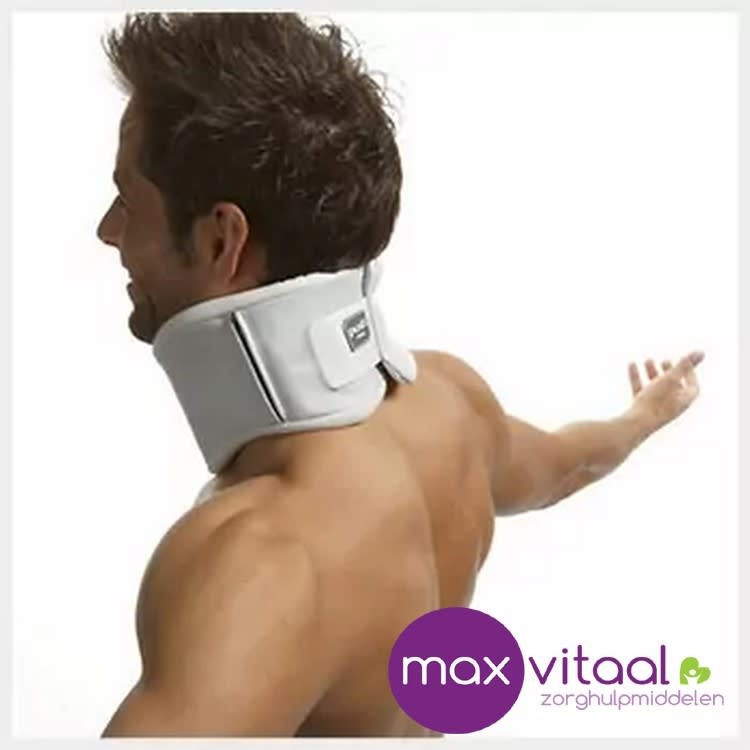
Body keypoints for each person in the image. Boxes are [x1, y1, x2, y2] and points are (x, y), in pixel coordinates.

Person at [96, 12, 704, 738]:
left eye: (127, 200)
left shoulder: (259, 564)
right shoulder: (451, 404)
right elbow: (565, 466)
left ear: (223, 239)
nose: (107, 230)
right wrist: (643, 416)